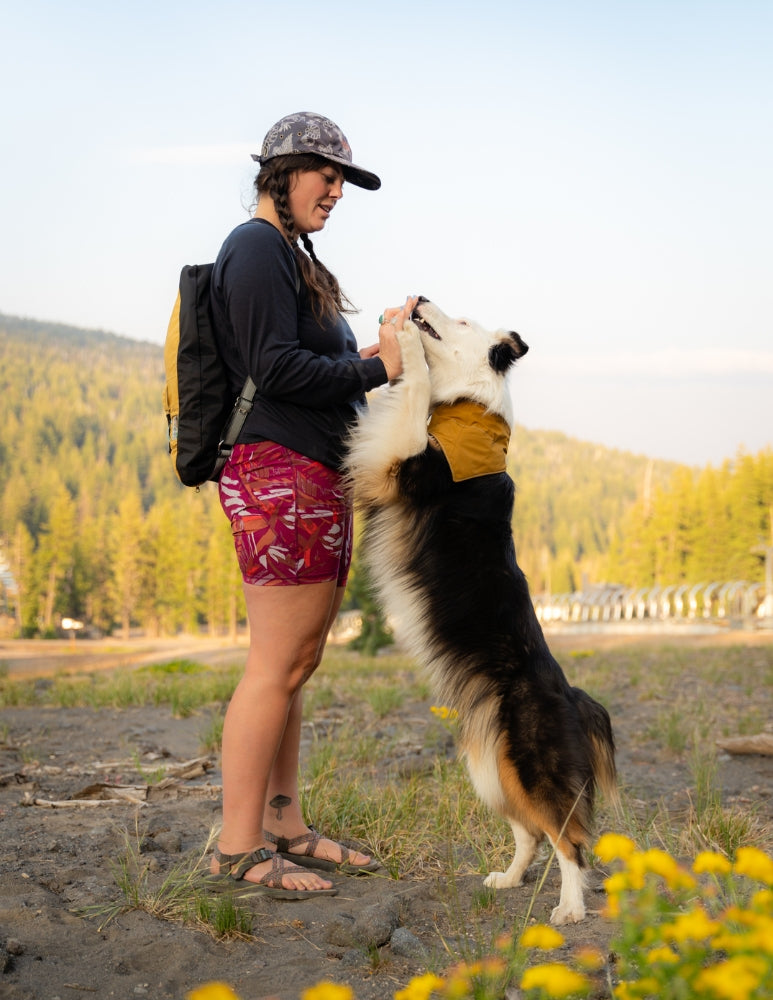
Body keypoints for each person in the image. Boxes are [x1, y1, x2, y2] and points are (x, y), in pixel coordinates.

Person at [207, 111, 417, 897]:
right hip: (278, 471)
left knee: (297, 663)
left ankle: (284, 825)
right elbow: (277, 368)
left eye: (343, 181)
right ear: (279, 173)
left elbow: (302, 362)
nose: (335, 191)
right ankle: (236, 845)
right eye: (324, 175)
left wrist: (372, 353)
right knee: (274, 664)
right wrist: (378, 371)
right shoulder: (256, 246)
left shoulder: (288, 253)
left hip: (311, 472)